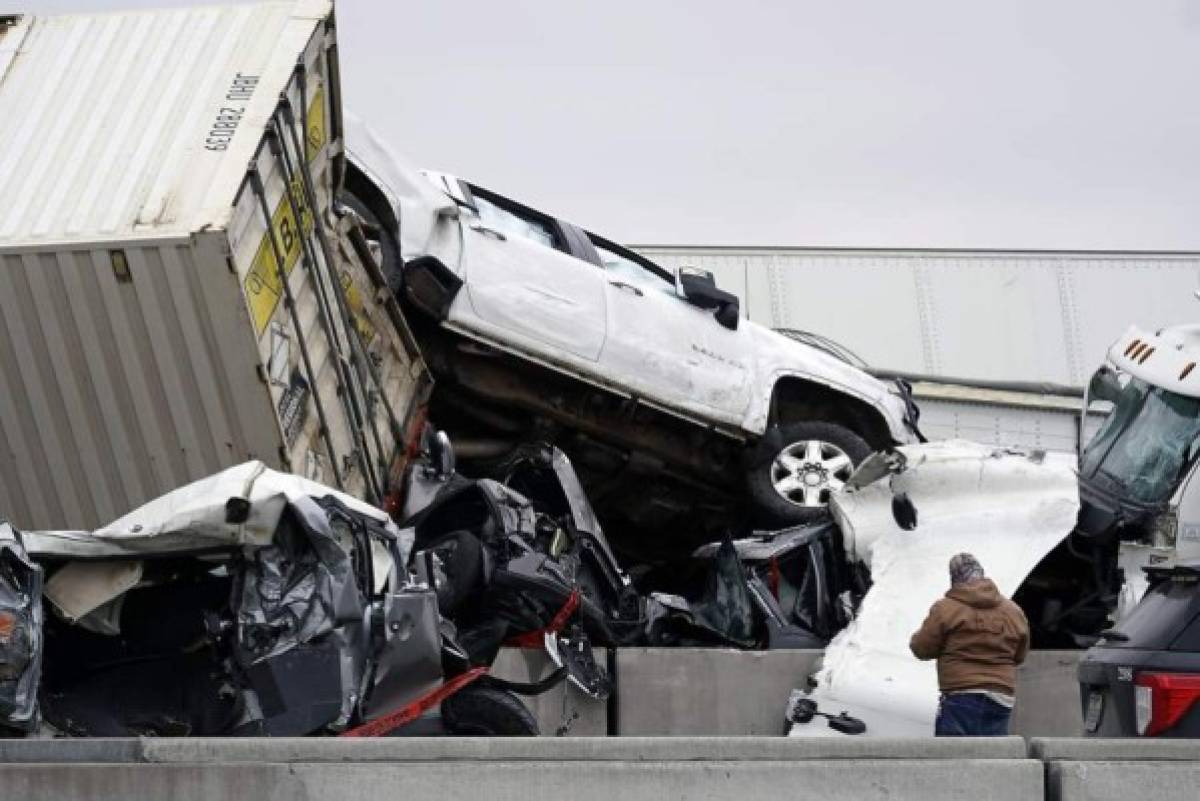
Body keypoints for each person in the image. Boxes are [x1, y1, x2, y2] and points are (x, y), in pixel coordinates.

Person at [909, 553, 1030, 736]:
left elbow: (922, 648)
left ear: (954, 578)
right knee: (993, 759)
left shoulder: (946, 608)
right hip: (1001, 696)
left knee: (954, 759)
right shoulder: (1013, 611)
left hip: (961, 693)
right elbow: (1019, 656)